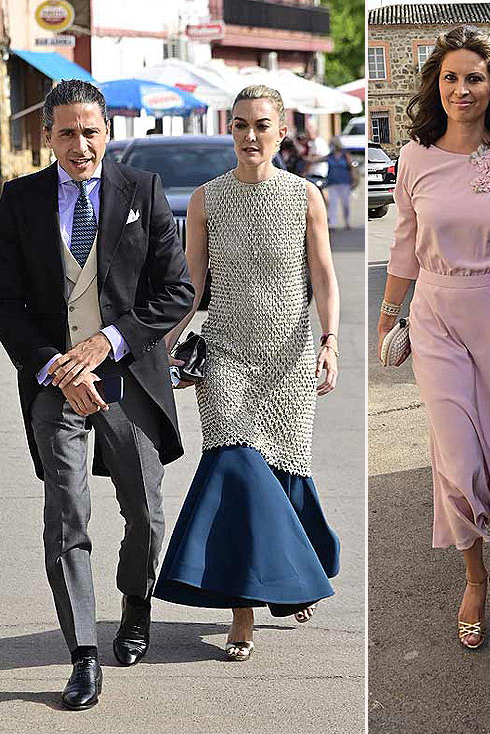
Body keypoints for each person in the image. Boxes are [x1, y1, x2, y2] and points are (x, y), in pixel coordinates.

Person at [0, 78, 193, 710]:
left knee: (146, 513)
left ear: (109, 132)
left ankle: (135, 604)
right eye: (69, 132)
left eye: (92, 130)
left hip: (127, 380)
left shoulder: (144, 191)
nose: (82, 144)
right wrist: (56, 366)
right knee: (68, 514)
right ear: (46, 136)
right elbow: (5, 303)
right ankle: (83, 654)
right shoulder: (20, 200)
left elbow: (176, 292)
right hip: (55, 384)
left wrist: (108, 343)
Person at [376, 26, 490, 651]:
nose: (462, 88)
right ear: (436, 84)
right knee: (457, 459)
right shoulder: (413, 156)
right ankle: (473, 578)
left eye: (474, 78)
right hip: (435, 315)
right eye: (451, 77)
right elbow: (404, 240)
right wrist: (388, 311)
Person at [154, 85, 341, 661]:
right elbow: (193, 284)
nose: (250, 136)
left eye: (261, 125)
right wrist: (167, 341)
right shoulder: (207, 200)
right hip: (228, 354)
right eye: (240, 126)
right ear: (230, 131)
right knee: (236, 468)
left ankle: (290, 580)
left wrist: (329, 344)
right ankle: (242, 612)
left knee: (285, 472)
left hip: (288, 354)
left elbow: (326, 277)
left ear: (281, 131)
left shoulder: (305, 197)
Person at [321, 137, 357, 229]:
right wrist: (305, 158)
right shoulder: (330, 156)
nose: (331, 146)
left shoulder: (345, 155)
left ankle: (347, 222)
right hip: (332, 183)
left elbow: (351, 167)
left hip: (344, 182)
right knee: (333, 204)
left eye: (332, 144)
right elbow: (317, 159)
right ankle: (332, 224)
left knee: (346, 204)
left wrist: (354, 179)